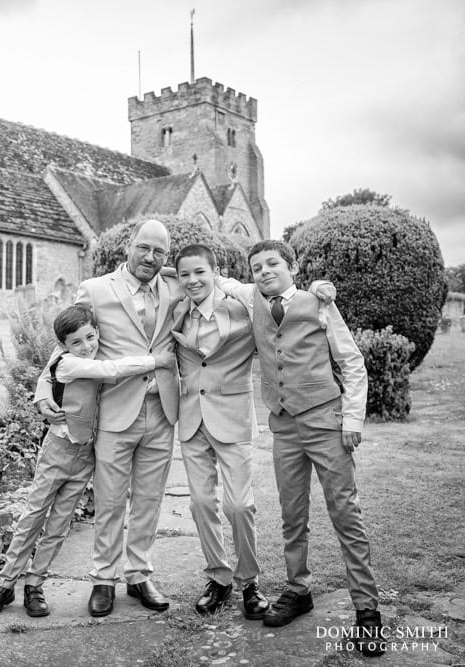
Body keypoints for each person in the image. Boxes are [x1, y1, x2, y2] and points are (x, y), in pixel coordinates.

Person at [219, 239, 384, 657]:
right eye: (256, 267)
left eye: (272, 263)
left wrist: (352, 419)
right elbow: (214, 278)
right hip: (283, 425)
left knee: (345, 513)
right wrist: (163, 268)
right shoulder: (252, 297)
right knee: (293, 514)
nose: (263, 271)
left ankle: (367, 611)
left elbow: (351, 363)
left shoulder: (320, 302)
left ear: (291, 265)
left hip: (325, 421)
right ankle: (298, 590)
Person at [0, 304, 176, 618]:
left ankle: (35, 585)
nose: (86, 346)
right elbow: (112, 371)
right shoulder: (69, 363)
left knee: (58, 526)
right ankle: (3, 585)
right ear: (63, 346)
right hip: (58, 450)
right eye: (77, 342)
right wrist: (157, 360)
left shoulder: (91, 356)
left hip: (85, 455)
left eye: (90, 337)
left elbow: (111, 376)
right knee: (33, 517)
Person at [34, 219, 181, 618]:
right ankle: (103, 578)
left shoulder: (174, 287)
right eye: (144, 248)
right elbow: (65, 349)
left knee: (149, 500)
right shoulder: (96, 290)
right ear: (129, 246)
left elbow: (219, 283)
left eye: (160, 252)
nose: (150, 257)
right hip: (115, 412)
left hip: (162, 410)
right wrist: (43, 391)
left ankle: (139, 575)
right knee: (111, 499)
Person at [170, 244, 268, 620]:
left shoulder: (242, 309)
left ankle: (250, 583)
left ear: (216, 273)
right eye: (184, 274)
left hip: (232, 418)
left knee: (240, 505)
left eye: (200, 272)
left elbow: (274, 296)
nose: (192, 280)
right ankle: (219, 578)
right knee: (200, 504)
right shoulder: (177, 312)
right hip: (192, 419)